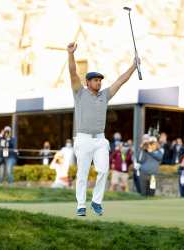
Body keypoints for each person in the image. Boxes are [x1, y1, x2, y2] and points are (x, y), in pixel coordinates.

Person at [68, 42, 139, 216]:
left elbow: (121, 81)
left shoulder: (105, 95)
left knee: (103, 170)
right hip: (83, 138)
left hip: (100, 139)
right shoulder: (79, 92)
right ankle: (81, 205)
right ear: (88, 82)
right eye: (95, 80)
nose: (99, 83)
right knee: (83, 174)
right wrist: (70, 54)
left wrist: (133, 66)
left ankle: (96, 202)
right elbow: (72, 73)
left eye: (100, 80)